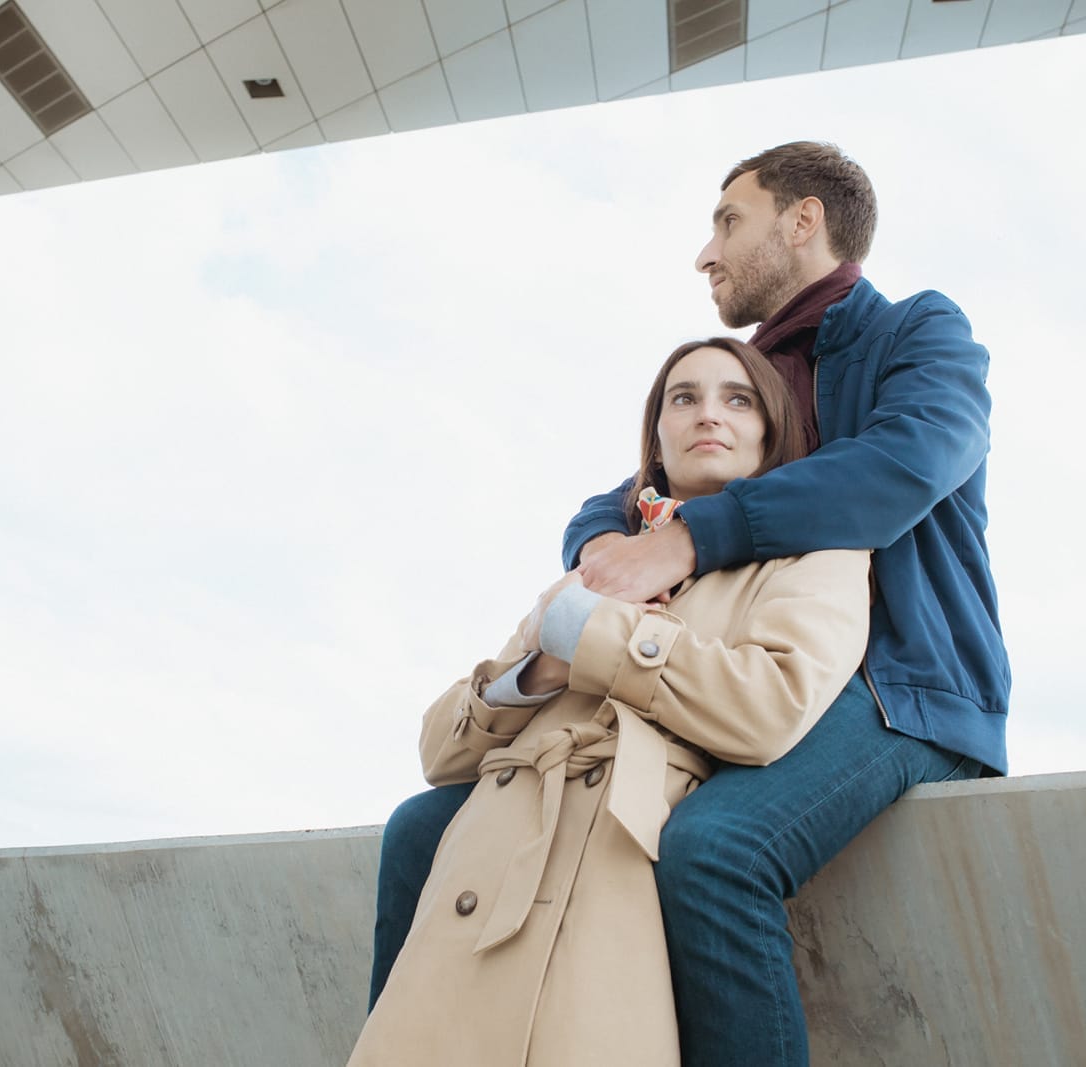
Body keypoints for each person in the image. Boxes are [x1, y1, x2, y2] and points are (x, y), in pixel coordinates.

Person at [368, 142, 1010, 1066]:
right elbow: (623, 497)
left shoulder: (918, 332)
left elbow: (904, 466)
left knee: (715, 851)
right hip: (718, 684)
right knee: (426, 830)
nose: (705, 254)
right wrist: (605, 553)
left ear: (803, 222)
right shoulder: (740, 381)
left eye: (727, 222)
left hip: (896, 686)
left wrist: (681, 540)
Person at [350, 339, 870, 1066]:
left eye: (737, 398)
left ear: (768, 429)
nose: (707, 414)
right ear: (654, 438)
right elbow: (440, 749)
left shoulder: (818, 552)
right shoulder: (608, 559)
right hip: (511, 832)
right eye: (681, 398)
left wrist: (600, 637)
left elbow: (769, 708)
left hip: (624, 845)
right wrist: (541, 667)